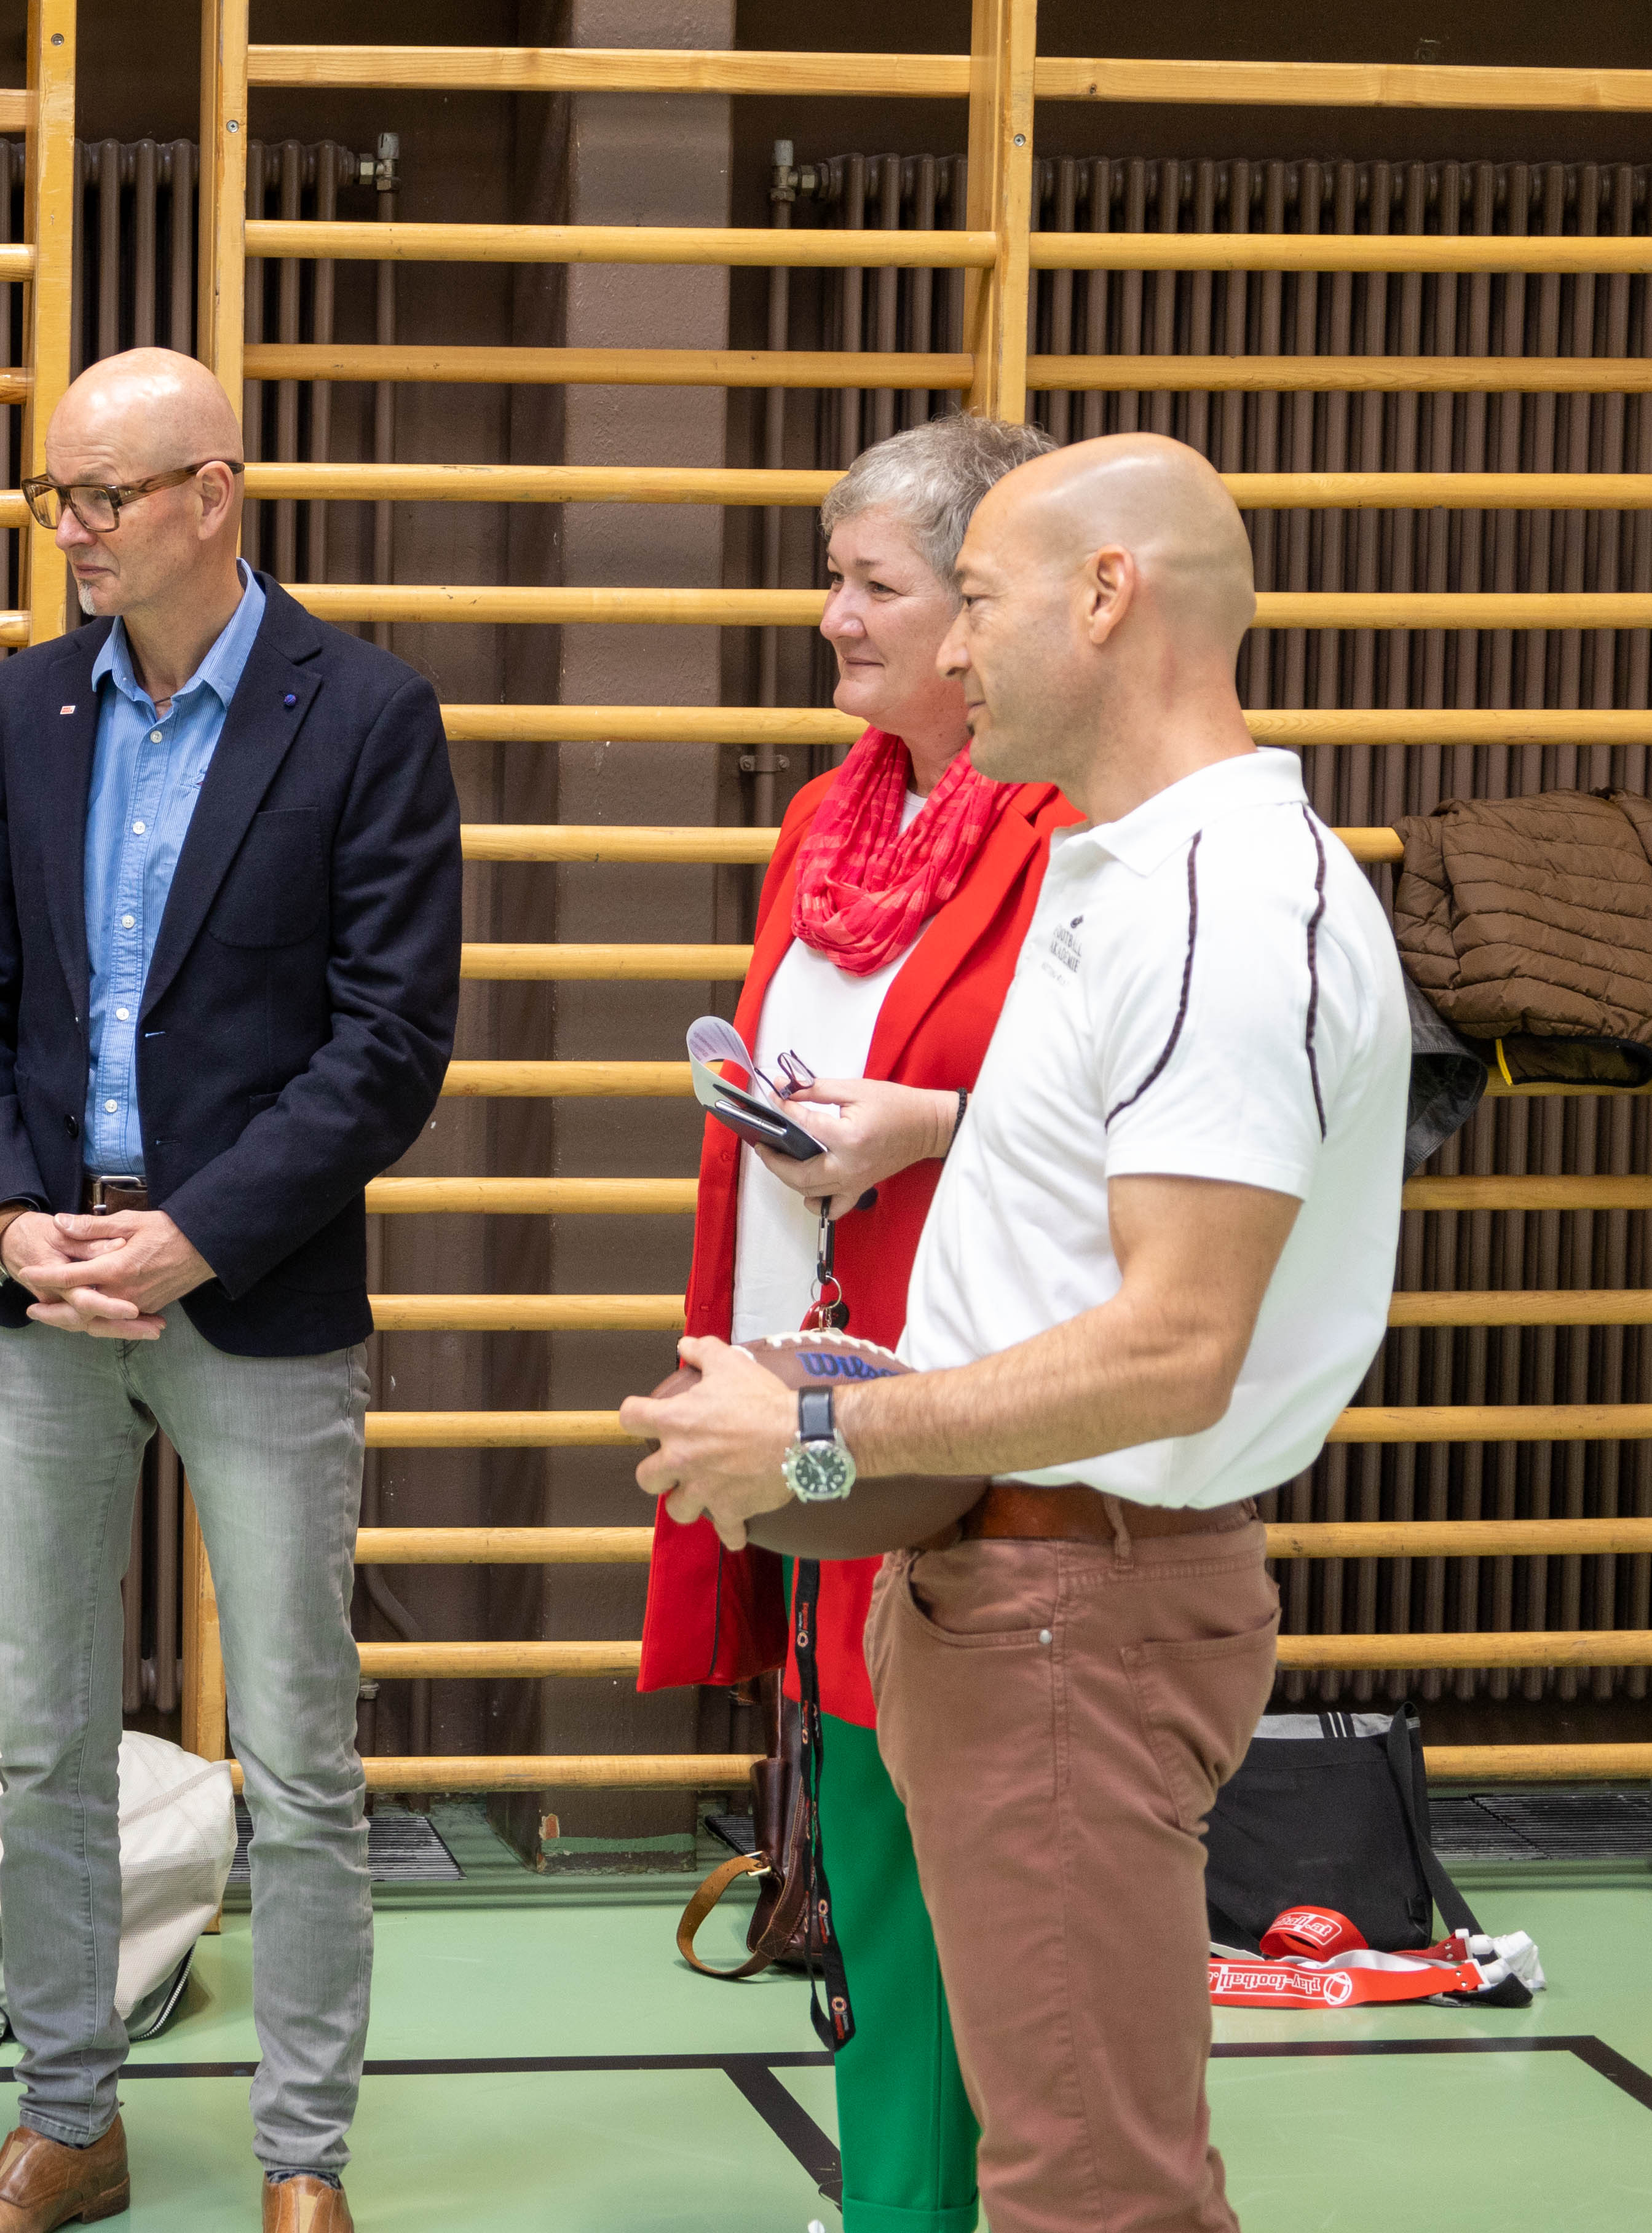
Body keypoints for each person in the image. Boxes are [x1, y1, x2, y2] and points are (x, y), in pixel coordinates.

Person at [624, 434, 1410, 2233]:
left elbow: (1171, 1349)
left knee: (1089, 2189)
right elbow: (1067, 1256)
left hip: (1079, 1607)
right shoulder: (1120, 878)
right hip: (1014, 1594)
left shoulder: (1222, 914)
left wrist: (826, 1442)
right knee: (1049, 2155)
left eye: (971, 599)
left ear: (1106, 597)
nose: (951, 651)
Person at [0, 348, 464, 2233]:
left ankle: (301, 2160)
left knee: (300, 1757)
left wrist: (198, 1231)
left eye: (106, 498)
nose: (72, 531)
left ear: (212, 497)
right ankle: (70, 2119)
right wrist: (4, 1217)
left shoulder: (367, 715)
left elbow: (389, 1046)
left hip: (258, 1294)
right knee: (49, 1732)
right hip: (48, 1296)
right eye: (55, 496)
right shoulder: (25, 711)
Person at [636, 414, 1073, 2233]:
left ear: (978, 618)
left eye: (870, 584)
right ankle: (906, 2192)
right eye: (838, 576)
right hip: (812, 1389)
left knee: (943, 1884)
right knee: (870, 1865)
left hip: (960, 1419)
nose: (832, 616)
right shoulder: (833, 816)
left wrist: (930, 1125)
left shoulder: (1069, 839)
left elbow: (1110, 1131)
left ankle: (921, 2202)